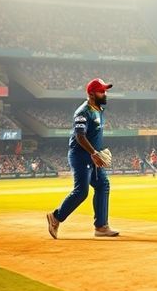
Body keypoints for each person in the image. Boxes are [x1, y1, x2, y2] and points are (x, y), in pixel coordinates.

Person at [46, 78, 119, 239]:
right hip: (81, 156)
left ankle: (101, 227)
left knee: (102, 184)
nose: (105, 94)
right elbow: (80, 136)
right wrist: (93, 153)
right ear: (92, 94)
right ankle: (56, 217)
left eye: (105, 90)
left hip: (93, 156)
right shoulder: (82, 112)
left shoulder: (98, 109)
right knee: (82, 191)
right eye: (101, 91)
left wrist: (97, 152)